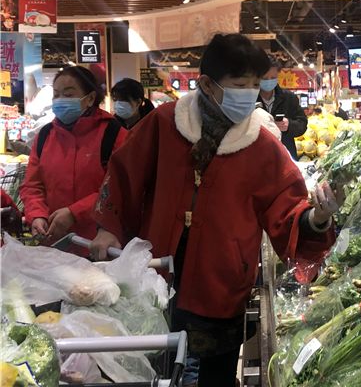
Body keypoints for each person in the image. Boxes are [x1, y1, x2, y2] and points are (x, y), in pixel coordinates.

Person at [89, 34, 340, 387]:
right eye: (239, 85)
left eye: (254, 85)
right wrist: (108, 227)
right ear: (207, 84)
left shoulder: (261, 144)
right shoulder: (165, 123)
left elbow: (286, 206)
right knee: (154, 366)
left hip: (222, 280)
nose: (249, 93)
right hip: (157, 273)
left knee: (216, 375)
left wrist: (317, 218)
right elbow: (123, 175)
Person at [20, 67, 127, 243]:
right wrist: (37, 215)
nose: (60, 100)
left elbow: (119, 188)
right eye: (56, 95)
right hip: (54, 242)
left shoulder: (115, 135)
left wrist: (75, 213)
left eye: (68, 95)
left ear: (90, 98)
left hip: (99, 244)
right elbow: (32, 185)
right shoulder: (45, 135)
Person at [257, 66, 308, 159]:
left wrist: (289, 125)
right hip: (258, 155)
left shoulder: (289, 98)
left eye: (273, 77)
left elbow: (302, 124)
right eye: (265, 78)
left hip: (286, 155)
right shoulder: (250, 99)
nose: (269, 81)